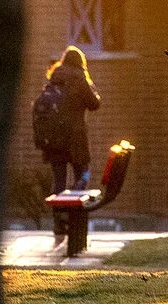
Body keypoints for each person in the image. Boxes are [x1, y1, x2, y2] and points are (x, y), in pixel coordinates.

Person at [40, 45, 101, 239]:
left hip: (55, 139)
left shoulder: (54, 78)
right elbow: (94, 104)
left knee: (58, 180)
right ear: (80, 63)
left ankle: (59, 224)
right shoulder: (79, 79)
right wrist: (90, 86)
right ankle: (75, 219)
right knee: (82, 175)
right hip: (76, 139)